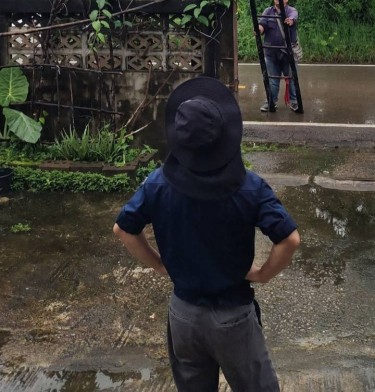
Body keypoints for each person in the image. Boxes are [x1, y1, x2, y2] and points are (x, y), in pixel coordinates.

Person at [113, 76, 300, 392]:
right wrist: (263, 274)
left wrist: (160, 265)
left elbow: (124, 229)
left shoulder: (158, 183)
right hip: (233, 317)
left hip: (183, 315)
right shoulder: (249, 188)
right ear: (226, 135)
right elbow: (289, 239)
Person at [258, 0, 299, 113]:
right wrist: (258, 29)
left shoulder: (291, 10)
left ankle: (295, 102)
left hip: (287, 53)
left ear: (286, 0)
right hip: (271, 53)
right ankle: (271, 101)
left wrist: (291, 21)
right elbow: (261, 25)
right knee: (272, 79)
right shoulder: (268, 11)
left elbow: (293, 17)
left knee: (292, 78)